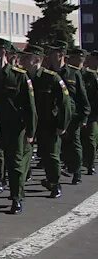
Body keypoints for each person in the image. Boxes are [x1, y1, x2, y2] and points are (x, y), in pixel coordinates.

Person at [0, 37, 36, 214]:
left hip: (15, 128)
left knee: (14, 165)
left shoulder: (20, 76)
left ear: (2, 52)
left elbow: (30, 107)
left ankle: (16, 197)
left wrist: (30, 131)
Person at [26, 43, 75, 198]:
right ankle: (18, 188)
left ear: (36, 59)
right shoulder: (23, 77)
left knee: (51, 155)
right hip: (29, 124)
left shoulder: (52, 78)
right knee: (24, 155)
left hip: (48, 123)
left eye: (27, 57)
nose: (22, 60)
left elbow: (65, 103)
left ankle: (54, 183)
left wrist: (62, 125)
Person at [48, 42, 90, 186]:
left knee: (74, 144)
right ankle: (55, 176)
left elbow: (82, 97)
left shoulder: (73, 73)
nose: (50, 56)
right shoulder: (48, 73)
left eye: (53, 53)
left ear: (60, 54)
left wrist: (84, 116)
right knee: (54, 147)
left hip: (71, 116)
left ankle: (76, 171)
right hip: (52, 116)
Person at [81, 49, 98, 177]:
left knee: (91, 139)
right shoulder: (84, 75)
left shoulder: (93, 76)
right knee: (85, 139)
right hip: (85, 112)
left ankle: (89, 163)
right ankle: (86, 163)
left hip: (94, 113)